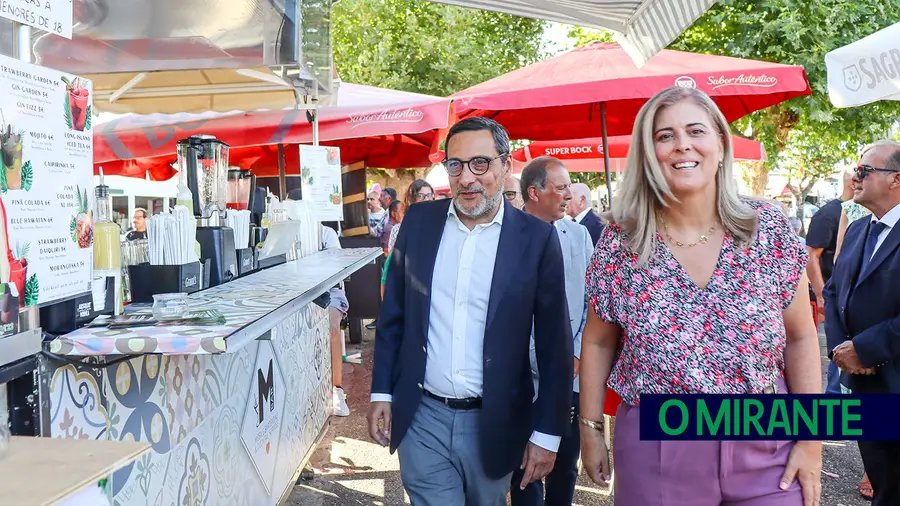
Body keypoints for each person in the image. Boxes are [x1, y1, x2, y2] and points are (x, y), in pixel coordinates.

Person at [578, 86, 822, 506]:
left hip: (766, 440)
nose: (682, 145)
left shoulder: (769, 229)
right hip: (658, 446)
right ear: (648, 154)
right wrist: (590, 428)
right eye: (664, 136)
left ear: (721, 144)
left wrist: (811, 439)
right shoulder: (621, 242)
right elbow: (599, 340)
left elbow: (800, 337)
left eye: (695, 131)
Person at [368, 116, 574, 506]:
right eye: (456, 165)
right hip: (422, 417)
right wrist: (382, 391)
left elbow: (554, 347)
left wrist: (547, 435)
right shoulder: (419, 222)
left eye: (480, 163)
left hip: (494, 422)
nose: (466, 178)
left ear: (505, 166)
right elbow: (394, 313)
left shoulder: (537, 239)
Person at [512, 156, 592, 506]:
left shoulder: (578, 235)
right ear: (534, 192)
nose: (567, 195)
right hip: (520, 380)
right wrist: (534, 357)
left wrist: (575, 353)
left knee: (565, 466)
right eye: (560, 188)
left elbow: (594, 303)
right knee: (524, 472)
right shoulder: (506, 238)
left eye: (569, 188)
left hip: (568, 377)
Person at [824, 140, 900, 506]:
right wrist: (843, 351)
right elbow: (834, 293)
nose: (855, 176)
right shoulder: (857, 229)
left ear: (895, 179)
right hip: (865, 384)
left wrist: (867, 349)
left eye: (865, 170)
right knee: (883, 479)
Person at [286, 189, 351, 416]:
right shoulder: (285, 233)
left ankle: (336, 389)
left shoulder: (326, 233)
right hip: (296, 293)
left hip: (330, 291)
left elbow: (336, 270)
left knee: (331, 324)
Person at [806, 171, 852, 395]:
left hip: (847, 302)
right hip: (831, 299)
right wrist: (821, 294)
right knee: (836, 364)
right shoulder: (829, 214)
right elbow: (811, 256)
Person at [388, 179, 435, 253]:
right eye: (420, 195)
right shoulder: (398, 229)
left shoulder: (440, 225)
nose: (426, 199)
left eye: (429, 195)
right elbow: (394, 259)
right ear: (411, 200)